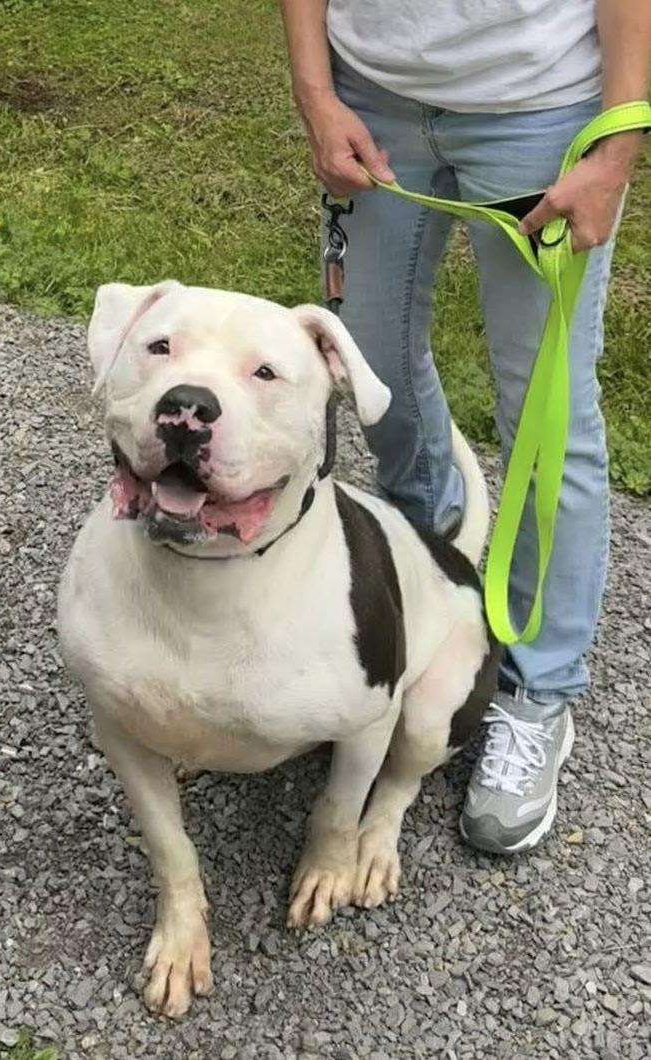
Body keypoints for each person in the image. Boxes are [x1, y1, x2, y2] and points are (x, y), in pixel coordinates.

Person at [278, 0, 650, 853]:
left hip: (540, 108)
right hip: (370, 97)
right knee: (367, 367)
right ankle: (431, 552)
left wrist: (616, 144)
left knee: (548, 411)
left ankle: (540, 689)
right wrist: (316, 93)